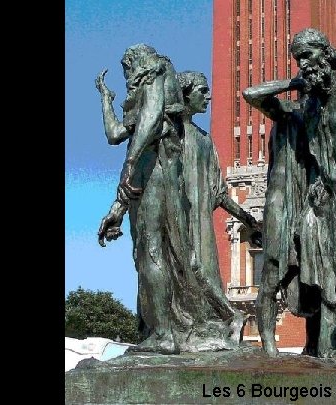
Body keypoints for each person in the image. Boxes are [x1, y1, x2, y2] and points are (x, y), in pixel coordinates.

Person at [95, 44, 260, 354]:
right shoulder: (172, 121)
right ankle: (175, 327)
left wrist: (129, 165)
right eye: (202, 91)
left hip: (164, 194)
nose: (127, 76)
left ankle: (164, 333)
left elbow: (148, 125)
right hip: (158, 192)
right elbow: (118, 135)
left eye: (128, 69)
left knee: (154, 255)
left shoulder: (157, 81)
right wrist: (106, 98)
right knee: (165, 259)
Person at [243, 28, 336, 358]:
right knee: (320, 278)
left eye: (307, 55)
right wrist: (295, 83)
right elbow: (251, 94)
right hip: (320, 202)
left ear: (326, 52)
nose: (303, 63)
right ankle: (322, 350)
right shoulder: (304, 107)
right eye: (297, 58)